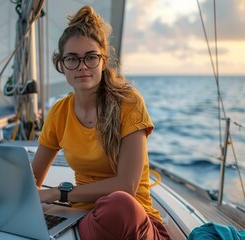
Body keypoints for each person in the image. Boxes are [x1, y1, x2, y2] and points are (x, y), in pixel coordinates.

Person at [31, 5, 171, 240]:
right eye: (72, 59)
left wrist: (57, 194)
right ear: (61, 65)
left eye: (91, 57)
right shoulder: (59, 112)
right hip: (82, 219)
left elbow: (127, 185)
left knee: (119, 204)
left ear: (103, 61)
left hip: (132, 222)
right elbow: (33, 180)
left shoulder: (129, 102)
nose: (83, 66)